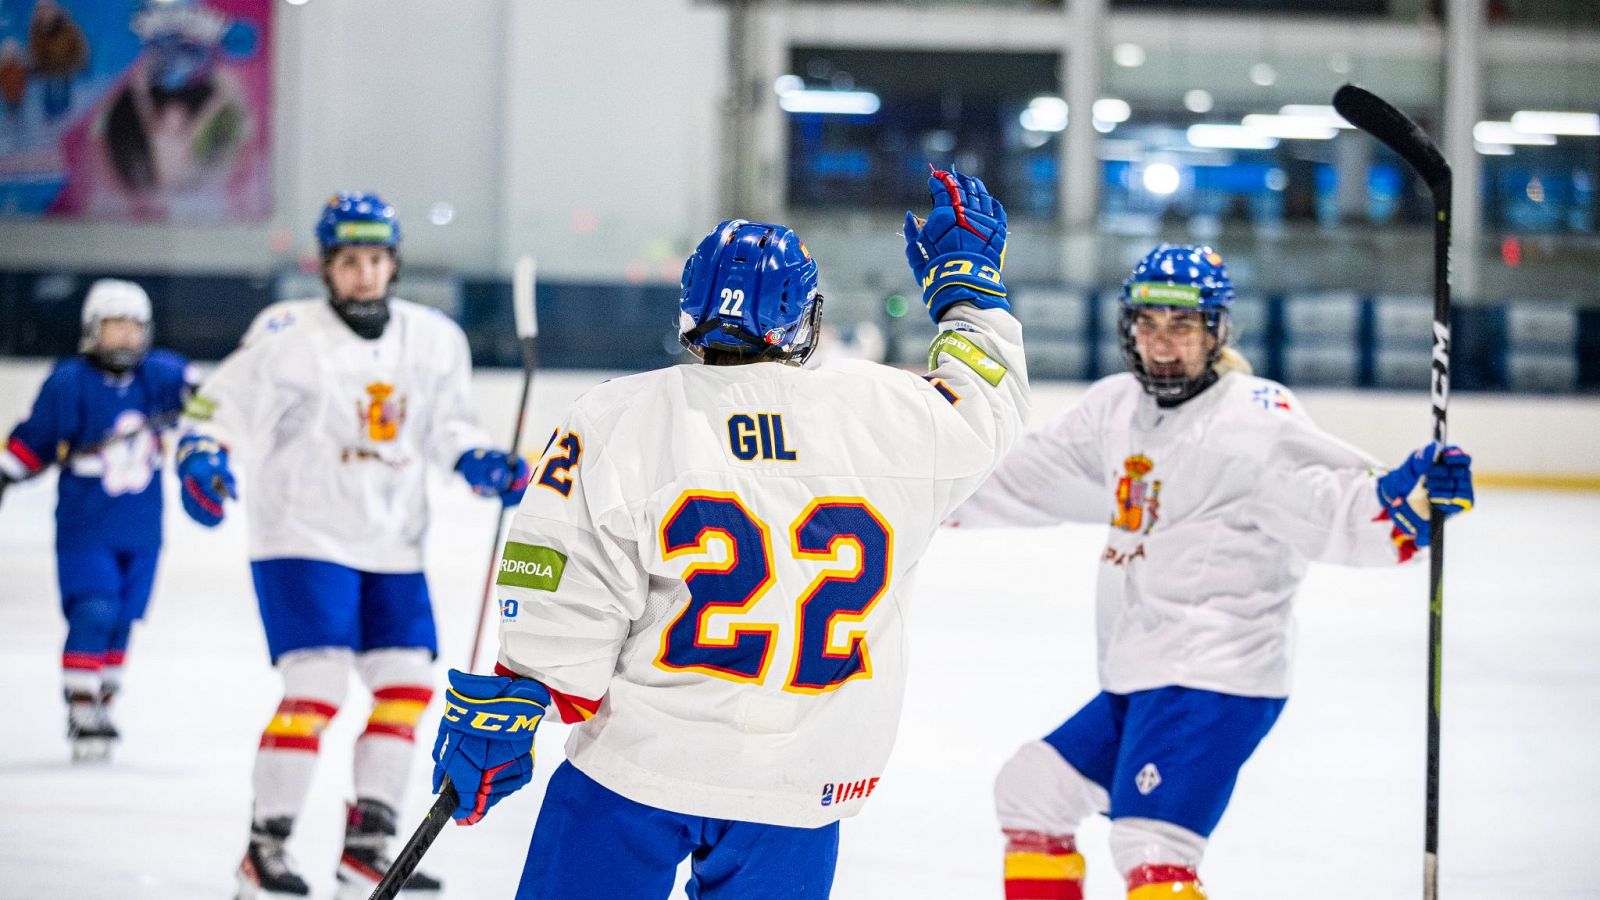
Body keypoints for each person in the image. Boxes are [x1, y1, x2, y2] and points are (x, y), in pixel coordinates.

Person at [426, 171, 1027, 899]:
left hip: (638, 765)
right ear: (805, 316)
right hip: (800, 786)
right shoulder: (887, 413)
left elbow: (564, 578)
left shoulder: (620, 416)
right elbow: (988, 402)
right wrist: (969, 290)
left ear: (690, 310)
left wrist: (522, 689)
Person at [948, 244, 1475, 900]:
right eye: (1148, 325)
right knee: (1032, 792)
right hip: (1143, 669)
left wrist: (1412, 501)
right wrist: (922, 490)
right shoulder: (1114, 409)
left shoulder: (1252, 419)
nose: (1163, 345)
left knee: (1151, 845)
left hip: (1217, 674)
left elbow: (1333, 506)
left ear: (1217, 330)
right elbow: (1025, 478)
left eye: (1183, 327)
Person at [177, 192, 531, 900]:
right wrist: (202, 454)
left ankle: (366, 846)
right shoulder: (285, 333)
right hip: (300, 536)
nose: (364, 274)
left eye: (375, 260)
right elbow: (221, 408)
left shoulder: (434, 339)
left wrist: (477, 461)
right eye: (349, 262)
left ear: (393, 263)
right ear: (327, 267)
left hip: (394, 543)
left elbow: (447, 427)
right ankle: (264, 847)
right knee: (317, 688)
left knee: (405, 688)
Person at [0, 278, 195, 762]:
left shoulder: (159, 375)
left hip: (143, 528)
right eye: (115, 326)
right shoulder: (69, 381)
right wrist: (7, 472)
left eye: (134, 326)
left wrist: (207, 397)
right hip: (85, 526)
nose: (126, 337)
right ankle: (80, 703)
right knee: (95, 609)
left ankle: (105, 700)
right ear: (93, 330)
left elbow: (210, 395)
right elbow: (34, 439)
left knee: (124, 618)